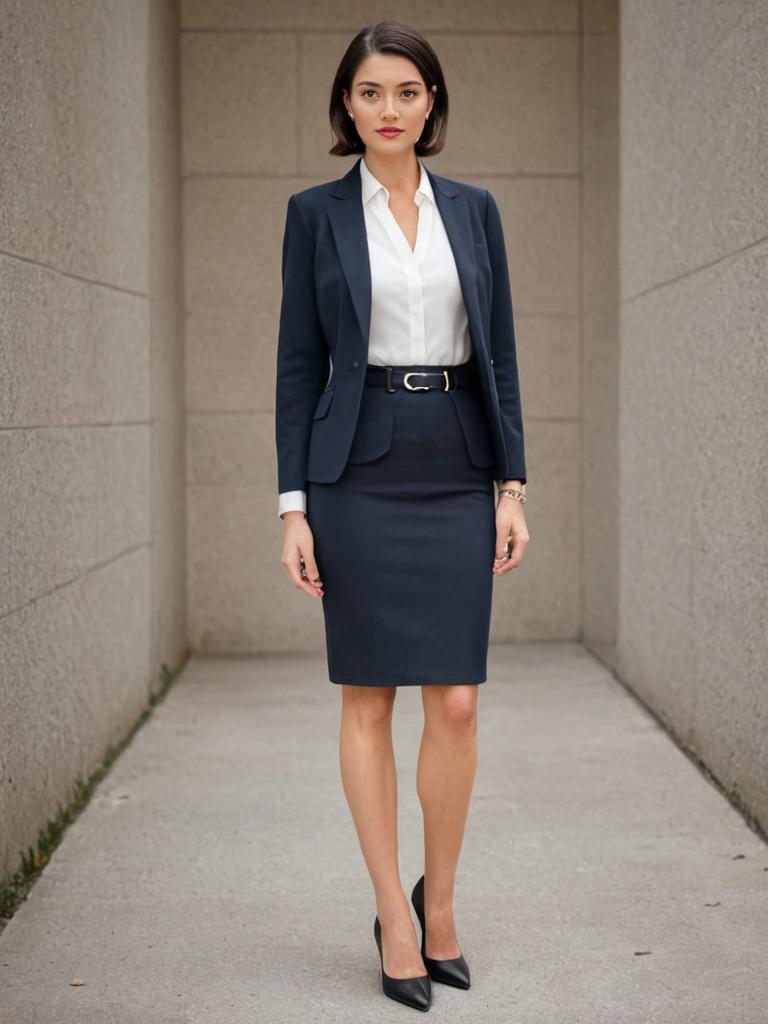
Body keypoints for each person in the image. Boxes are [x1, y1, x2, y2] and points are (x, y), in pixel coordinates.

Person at [274, 20, 530, 1012]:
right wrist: (293, 505)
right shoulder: (313, 215)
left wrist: (513, 484)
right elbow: (300, 364)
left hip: (456, 458)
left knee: (457, 698)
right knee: (370, 699)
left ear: (431, 104)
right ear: (347, 104)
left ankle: (445, 901)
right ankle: (392, 911)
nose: (390, 108)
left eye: (408, 92)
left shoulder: (476, 210)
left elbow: (500, 353)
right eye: (372, 91)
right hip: (356, 465)